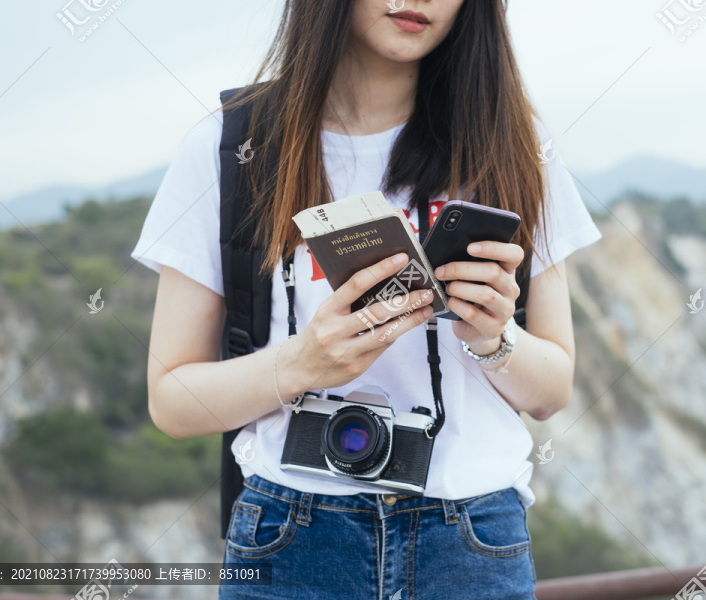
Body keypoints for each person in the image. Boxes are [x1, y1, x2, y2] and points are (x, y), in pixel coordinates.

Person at [131, 1, 602, 598]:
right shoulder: (234, 145)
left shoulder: (511, 141)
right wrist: (303, 364)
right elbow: (173, 402)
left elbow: (551, 391)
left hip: (473, 538)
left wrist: (494, 336)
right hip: (291, 533)